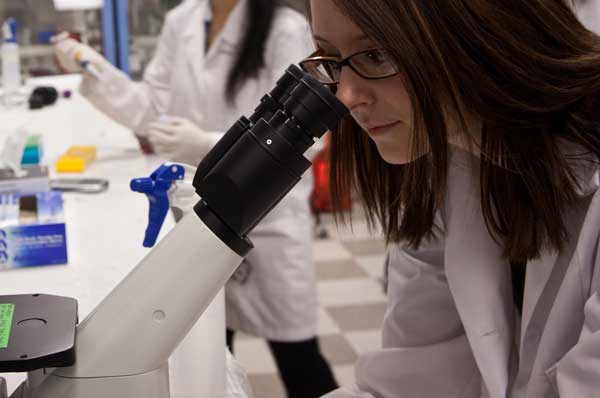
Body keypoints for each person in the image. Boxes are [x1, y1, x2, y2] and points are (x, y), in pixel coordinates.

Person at [299, 0, 600, 397]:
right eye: (333, 59)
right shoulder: (450, 168)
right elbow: (413, 379)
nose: (347, 97)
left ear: (480, 28)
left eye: (377, 54)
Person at [53, 1, 338, 397]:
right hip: (198, 215)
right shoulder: (182, 20)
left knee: (298, 355)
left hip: (268, 218)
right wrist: (93, 68)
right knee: (208, 350)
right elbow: (151, 108)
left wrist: (205, 145)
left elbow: (308, 136)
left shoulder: (285, 28)